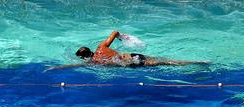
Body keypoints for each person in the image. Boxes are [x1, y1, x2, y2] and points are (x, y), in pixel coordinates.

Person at [46, 30, 209, 71]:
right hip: (131, 55)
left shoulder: (94, 61)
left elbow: (73, 67)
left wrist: (56, 67)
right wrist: (124, 38)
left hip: (130, 63)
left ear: (84, 57)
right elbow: (115, 32)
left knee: (165, 64)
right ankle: (196, 61)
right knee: (165, 60)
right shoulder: (101, 47)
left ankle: (194, 63)